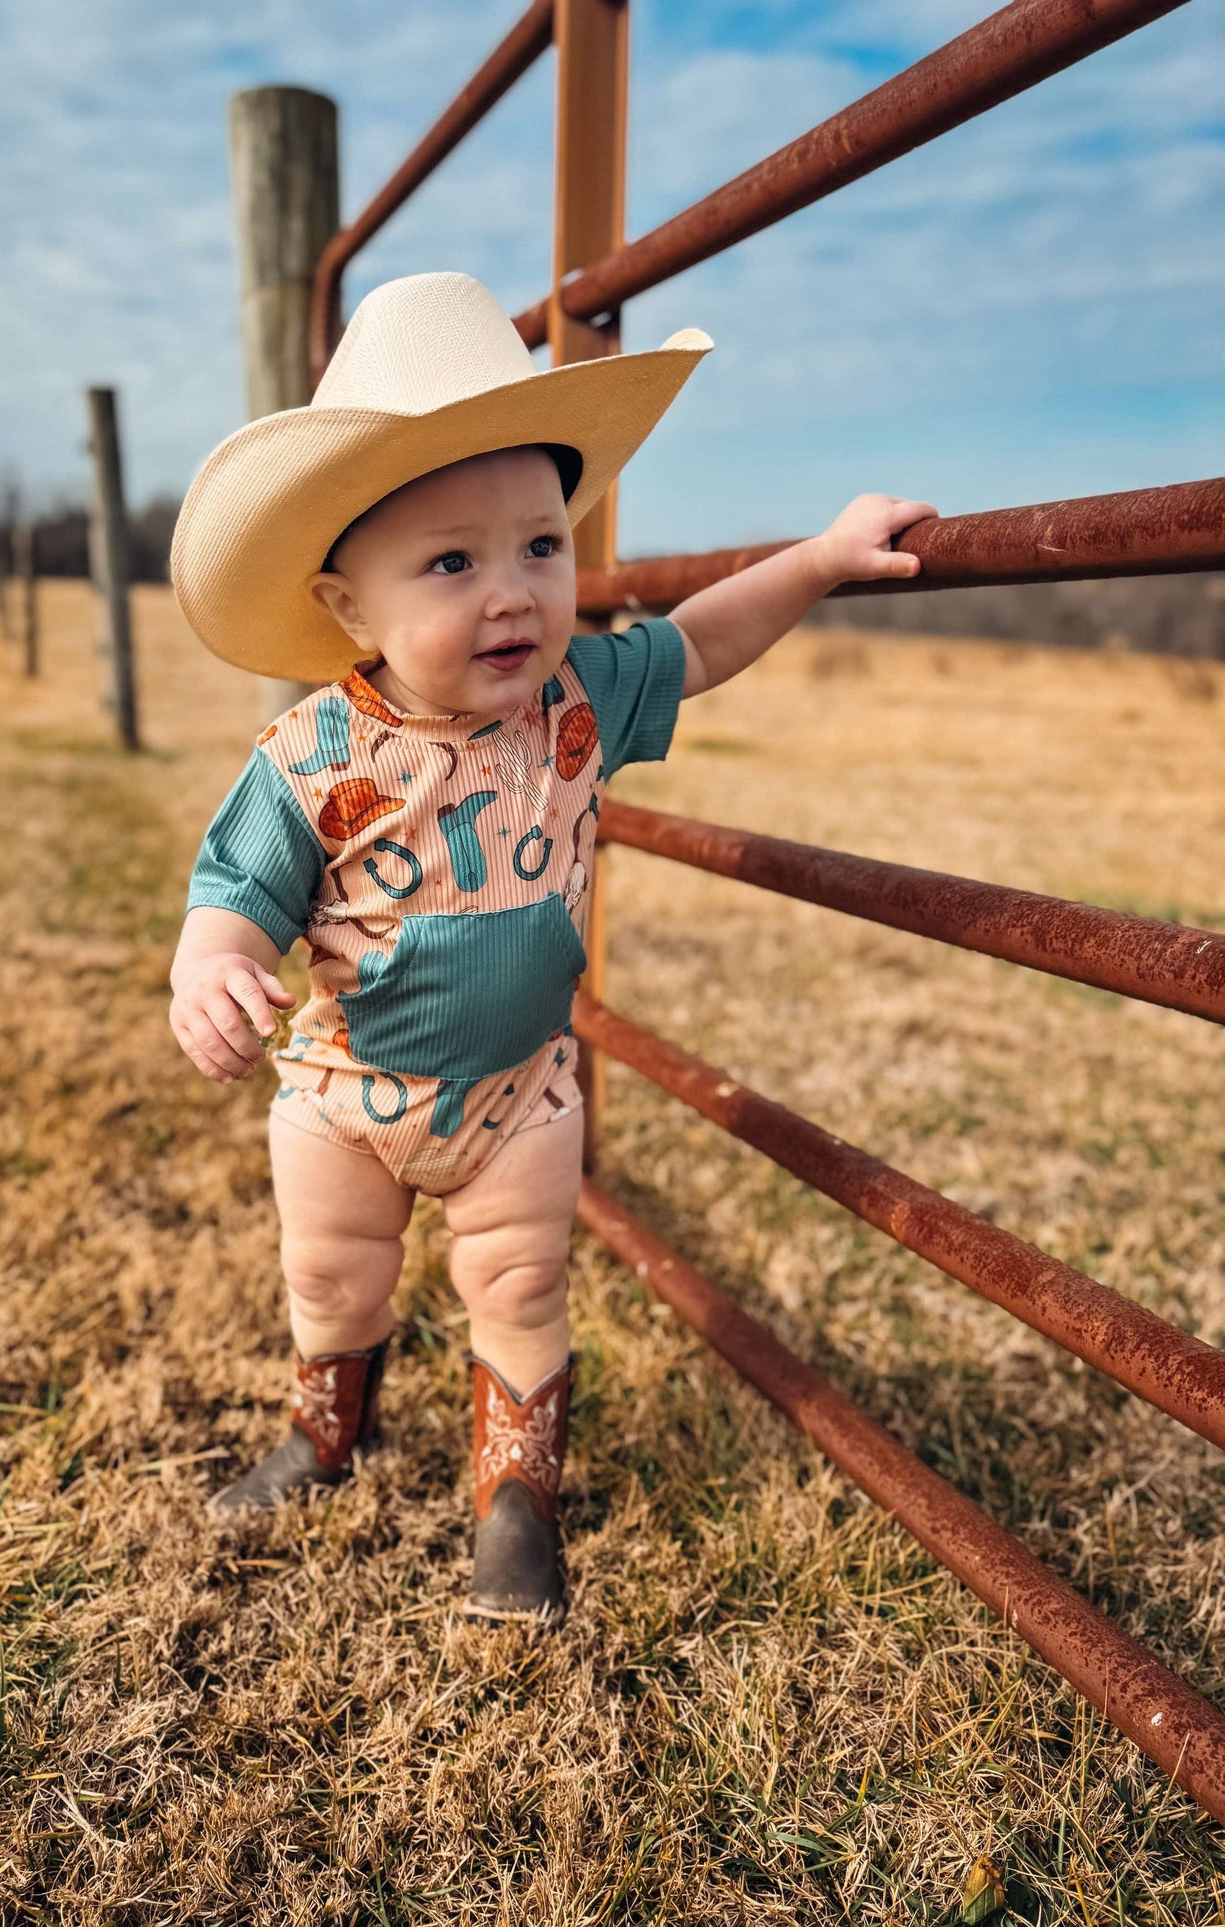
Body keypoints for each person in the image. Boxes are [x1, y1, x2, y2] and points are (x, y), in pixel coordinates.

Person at [167, 270, 936, 1621]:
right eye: (451, 563)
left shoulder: (577, 702)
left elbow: (696, 643)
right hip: (347, 1094)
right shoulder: (311, 757)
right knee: (329, 1271)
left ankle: (514, 1500)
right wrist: (213, 963)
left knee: (521, 1278)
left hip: (519, 1092)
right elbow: (236, 889)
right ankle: (321, 1432)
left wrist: (814, 559)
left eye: (538, 545)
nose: (513, 592)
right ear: (351, 607)